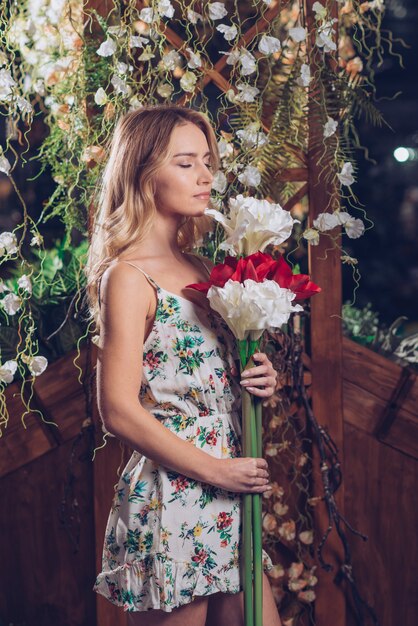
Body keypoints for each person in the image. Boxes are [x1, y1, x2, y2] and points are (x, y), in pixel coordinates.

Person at [86, 105, 282, 626]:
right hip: (175, 496)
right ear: (145, 173)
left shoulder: (203, 270)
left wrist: (258, 377)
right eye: (186, 163)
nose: (205, 175)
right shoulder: (127, 277)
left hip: (231, 489)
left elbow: (211, 376)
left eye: (208, 161)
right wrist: (217, 470)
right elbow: (119, 410)